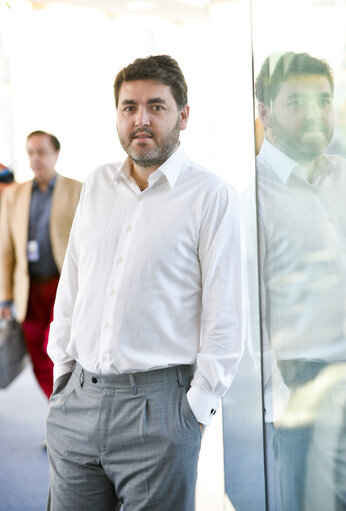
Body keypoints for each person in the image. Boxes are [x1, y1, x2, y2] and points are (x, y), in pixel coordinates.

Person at [46, 54, 243, 511]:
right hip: (77, 400)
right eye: (128, 107)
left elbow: (225, 313)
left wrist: (196, 410)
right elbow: (73, 285)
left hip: (160, 412)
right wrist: (62, 375)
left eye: (156, 107)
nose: (141, 120)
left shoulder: (211, 196)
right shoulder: (96, 184)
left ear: (183, 116)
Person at [254, 52, 346, 511]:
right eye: (296, 101)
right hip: (302, 388)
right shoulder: (251, 193)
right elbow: (249, 311)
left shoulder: (343, 177)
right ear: (264, 112)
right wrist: (278, 402)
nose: (315, 112)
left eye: (323, 99)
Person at [0, 131, 82, 398]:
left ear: (55, 154)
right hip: (29, 286)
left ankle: (65, 411)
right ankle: (55, 407)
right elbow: (5, 250)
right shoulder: (15, 195)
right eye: (31, 152)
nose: (36, 158)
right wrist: (5, 297)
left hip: (63, 284)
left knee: (56, 348)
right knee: (36, 351)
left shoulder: (77, 190)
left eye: (41, 152)